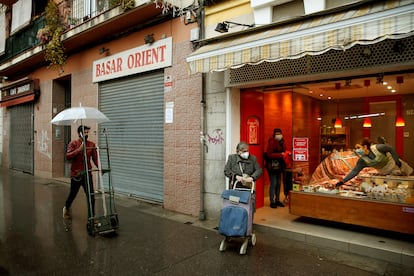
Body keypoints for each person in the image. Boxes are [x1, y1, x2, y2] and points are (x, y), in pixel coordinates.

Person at [62, 125, 99, 219]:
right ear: (79, 133)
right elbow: (68, 156)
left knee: (91, 196)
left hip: (87, 173)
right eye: (84, 132)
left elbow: (95, 159)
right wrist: (79, 150)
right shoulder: (73, 143)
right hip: (76, 174)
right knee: (73, 194)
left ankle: (92, 217)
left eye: (87, 132)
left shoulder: (91, 145)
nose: (86, 134)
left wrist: (100, 168)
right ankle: (66, 208)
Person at [336, 138, 401, 188]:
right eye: (356, 149)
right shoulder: (362, 160)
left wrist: (396, 160)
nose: (357, 150)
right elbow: (355, 171)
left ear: (365, 147)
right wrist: (343, 181)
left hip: (398, 167)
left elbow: (390, 148)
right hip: (386, 174)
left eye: (358, 148)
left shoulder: (377, 148)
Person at [224, 141, 262, 210]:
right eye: (243, 151)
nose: (246, 153)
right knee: (235, 207)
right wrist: (236, 176)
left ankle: (249, 220)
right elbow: (226, 170)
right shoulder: (232, 158)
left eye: (247, 151)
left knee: (248, 208)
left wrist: (252, 178)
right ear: (238, 151)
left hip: (248, 188)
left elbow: (259, 170)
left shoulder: (253, 158)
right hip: (235, 188)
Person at [266, 128, 286, 208]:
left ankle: (277, 200)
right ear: (274, 134)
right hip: (272, 166)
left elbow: (285, 150)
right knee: (273, 183)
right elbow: (269, 154)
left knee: (278, 183)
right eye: (277, 134)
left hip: (279, 165)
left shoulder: (282, 142)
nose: (279, 135)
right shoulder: (272, 142)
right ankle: (272, 201)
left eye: (280, 133)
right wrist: (281, 155)